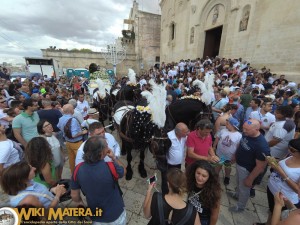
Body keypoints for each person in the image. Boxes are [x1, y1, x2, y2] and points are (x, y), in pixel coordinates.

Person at [71, 136, 126, 224]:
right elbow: (123, 171)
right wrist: (114, 158)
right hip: (116, 215)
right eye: (106, 146)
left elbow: (75, 196)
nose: (108, 148)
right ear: (101, 153)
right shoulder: (110, 166)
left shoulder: (77, 169)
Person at [254, 138, 300, 225]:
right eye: (289, 147)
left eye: (292, 149)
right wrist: (274, 161)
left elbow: (297, 190)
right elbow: (282, 163)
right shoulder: (291, 155)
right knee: (271, 210)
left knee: (279, 217)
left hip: (285, 198)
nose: (289, 150)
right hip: (273, 189)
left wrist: (280, 171)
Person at [228, 119, 270, 212]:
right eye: (243, 128)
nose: (244, 131)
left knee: (244, 188)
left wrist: (250, 179)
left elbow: (260, 166)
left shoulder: (262, 146)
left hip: (247, 169)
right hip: (240, 164)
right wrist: (235, 155)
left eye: (247, 129)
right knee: (238, 182)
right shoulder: (247, 133)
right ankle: (237, 195)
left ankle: (240, 207)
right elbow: (241, 144)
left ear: (256, 129)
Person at [0, 161, 65, 208]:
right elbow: (45, 214)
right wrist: (57, 196)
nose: (34, 168)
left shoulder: (29, 181)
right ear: (23, 178)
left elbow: (39, 191)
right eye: (30, 169)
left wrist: (52, 190)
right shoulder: (26, 200)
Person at [186, 160, 221, 225]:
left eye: (204, 176)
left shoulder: (214, 192)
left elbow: (214, 215)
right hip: (188, 215)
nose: (199, 178)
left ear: (209, 177)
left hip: (202, 220)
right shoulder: (190, 181)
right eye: (198, 173)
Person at [57, 104, 87, 173]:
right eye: (73, 108)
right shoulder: (73, 120)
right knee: (81, 160)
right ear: (71, 110)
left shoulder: (61, 119)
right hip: (76, 143)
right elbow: (74, 135)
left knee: (72, 159)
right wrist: (83, 132)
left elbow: (58, 126)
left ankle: (74, 173)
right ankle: (82, 174)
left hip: (68, 142)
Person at [161, 122, 189, 194]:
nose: (187, 133)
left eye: (187, 131)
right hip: (169, 165)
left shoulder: (184, 136)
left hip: (178, 164)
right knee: (166, 180)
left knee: (176, 178)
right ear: (178, 132)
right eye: (185, 132)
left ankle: (174, 191)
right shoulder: (168, 137)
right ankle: (165, 194)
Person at [213, 117, 242, 185]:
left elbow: (238, 147)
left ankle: (227, 176)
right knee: (218, 165)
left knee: (227, 167)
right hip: (220, 153)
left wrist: (235, 156)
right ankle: (215, 177)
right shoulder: (223, 130)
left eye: (227, 124)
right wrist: (214, 146)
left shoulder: (239, 136)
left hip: (229, 155)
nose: (226, 125)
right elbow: (217, 138)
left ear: (232, 125)